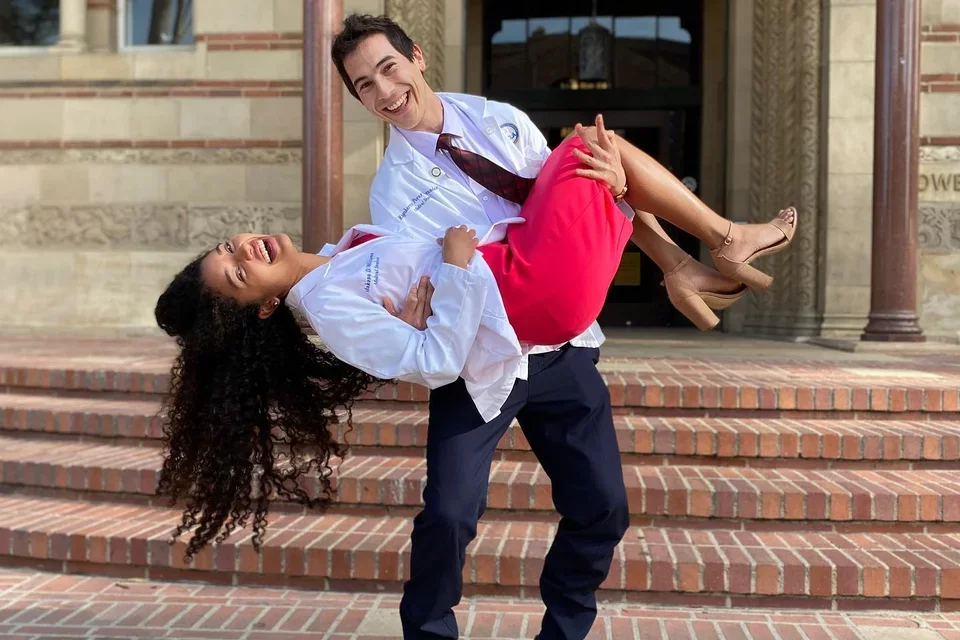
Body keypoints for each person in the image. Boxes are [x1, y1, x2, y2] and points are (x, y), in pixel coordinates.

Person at [329, 13, 796, 640]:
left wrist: (617, 184)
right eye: (363, 86)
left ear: (416, 57)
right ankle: (430, 633)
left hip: (560, 348)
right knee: (446, 514)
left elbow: (570, 210)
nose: (384, 93)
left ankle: (565, 630)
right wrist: (414, 312)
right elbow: (430, 279)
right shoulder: (390, 193)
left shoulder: (503, 118)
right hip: (482, 356)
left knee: (602, 508)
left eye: (388, 69)